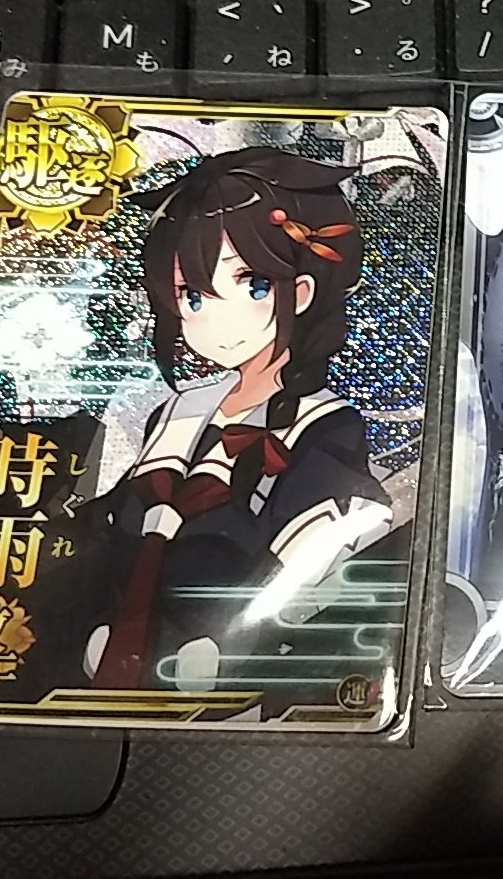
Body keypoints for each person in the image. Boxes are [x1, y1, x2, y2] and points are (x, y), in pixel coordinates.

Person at [86, 147, 396, 692]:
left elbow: (322, 546)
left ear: (302, 292)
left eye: (252, 285)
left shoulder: (323, 426)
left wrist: (237, 643)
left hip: (224, 662)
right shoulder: (178, 411)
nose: (215, 319)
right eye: (192, 297)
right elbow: (119, 519)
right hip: (119, 638)